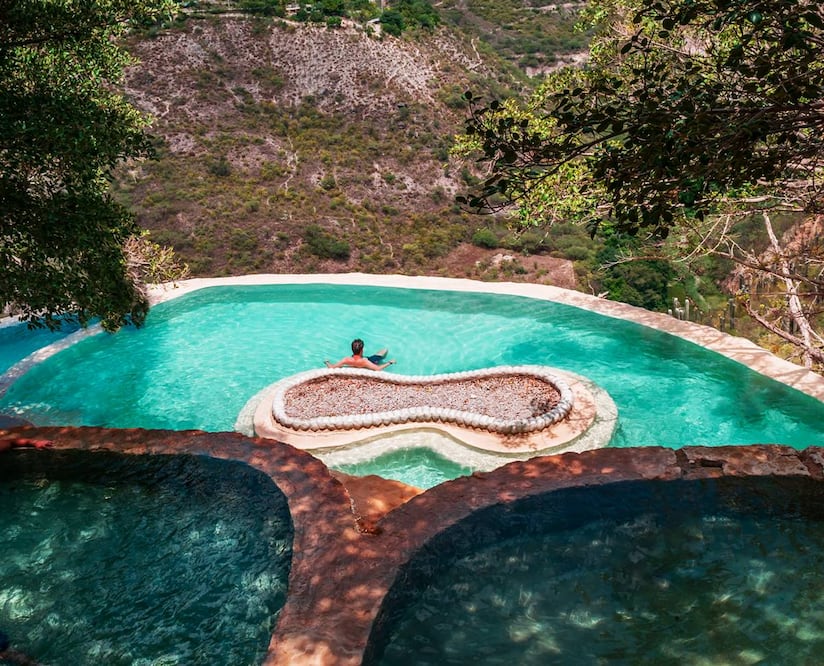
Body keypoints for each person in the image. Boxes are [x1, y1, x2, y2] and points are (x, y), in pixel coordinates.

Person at [325, 338, 396, 371]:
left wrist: (327, 362)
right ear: (362, 350)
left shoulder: (346, 359)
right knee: (384, 350)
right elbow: (378, 368)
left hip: (359, 360)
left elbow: (332, 367)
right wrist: (390, 362)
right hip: (371, 362)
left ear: (352, 349)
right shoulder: (365, 361)